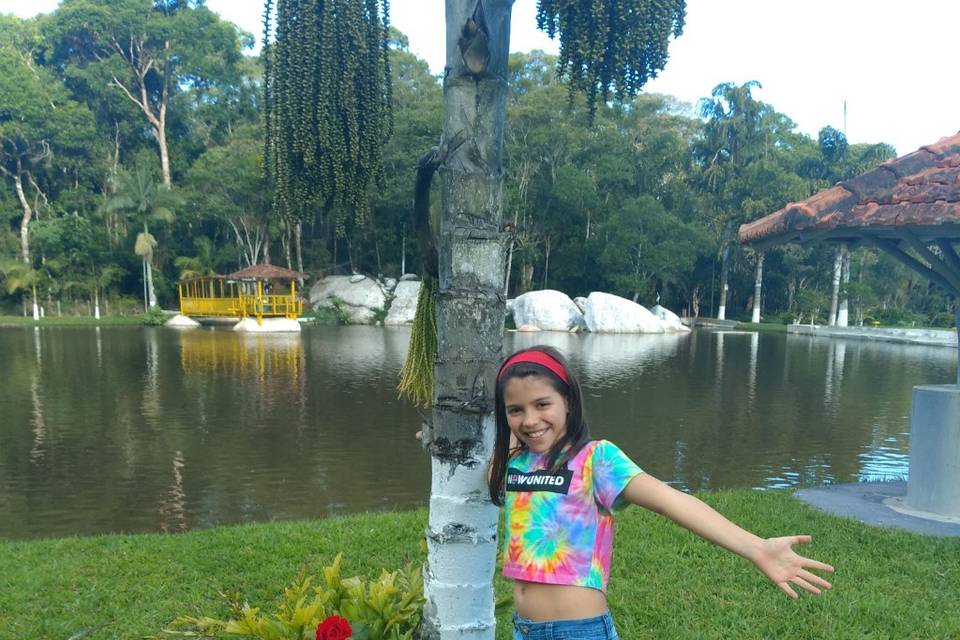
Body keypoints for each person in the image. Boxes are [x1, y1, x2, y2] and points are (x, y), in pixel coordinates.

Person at [488, 345, 834, 639]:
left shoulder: (596, 459)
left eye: (542, 404)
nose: (530, 420)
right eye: (516, 410)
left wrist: (757, 548)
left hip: (578, 630)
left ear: (568, 401)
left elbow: (673, 502)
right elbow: (489, 467)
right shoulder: (515, 463)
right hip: (525, 629)